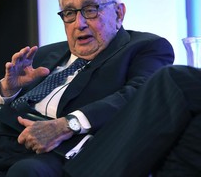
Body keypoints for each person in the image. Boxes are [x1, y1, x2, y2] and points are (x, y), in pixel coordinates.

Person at [0, 0, 174, 177]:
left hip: (62, 154)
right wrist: (9, 89)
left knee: (25, 172)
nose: (79, 23)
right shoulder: (46, 54)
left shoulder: (143, 47)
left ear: (118, 13)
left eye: (90, 9)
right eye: (69, 13)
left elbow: (138, 95)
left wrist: (67, 124)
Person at [63, 65, 201, 177]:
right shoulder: (48, 53)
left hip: (70, 145)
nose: (80, 28)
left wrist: (71, 123)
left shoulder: (146, 46)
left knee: (176, 78)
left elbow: (136, 90)